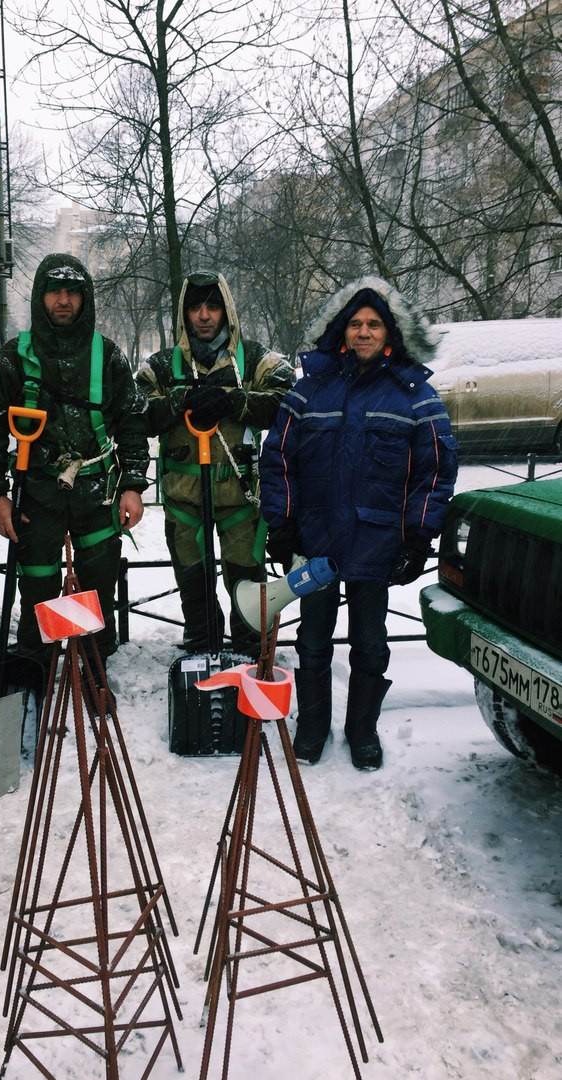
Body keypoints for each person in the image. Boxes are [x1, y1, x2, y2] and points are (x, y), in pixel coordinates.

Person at [260, 276, 458, 770]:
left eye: (373, 324)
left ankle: (362, 728)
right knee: (312, 639)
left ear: (389, 333)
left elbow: (435, 469)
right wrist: (281, 525)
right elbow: (277, 460)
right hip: (318, 538)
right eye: (355, 324)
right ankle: (311, 726)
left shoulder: (414, 396)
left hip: (378, 541)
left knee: (370, 641)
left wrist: (418, 535)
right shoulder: (307, 392)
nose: (364, 332)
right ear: (341, 332)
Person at [0, 253, 148, 684]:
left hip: (97, 491)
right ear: (40, 297)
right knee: (36, 581)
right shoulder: (12, 359)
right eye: (55, 291)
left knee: (99, 581)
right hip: (36, 494)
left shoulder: (108, 356)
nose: (64, 300)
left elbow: (131, 422)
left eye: (73, 292)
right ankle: (37, 665)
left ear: (85, 298)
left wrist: (133, 485)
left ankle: (94, 664)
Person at [136, 270, 294, 658]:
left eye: (212, 306)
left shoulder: (254, 359)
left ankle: (250, 654)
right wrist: (180, 403)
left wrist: (233, 402)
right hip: (184, 501)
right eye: (195, 307)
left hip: (241, 500)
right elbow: (135, 411)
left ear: (226, 311)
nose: (204, 316)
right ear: (183, 314)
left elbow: (288, 398)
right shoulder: (161, 365)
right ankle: (201, 651)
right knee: (194, 584)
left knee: (246, 584)